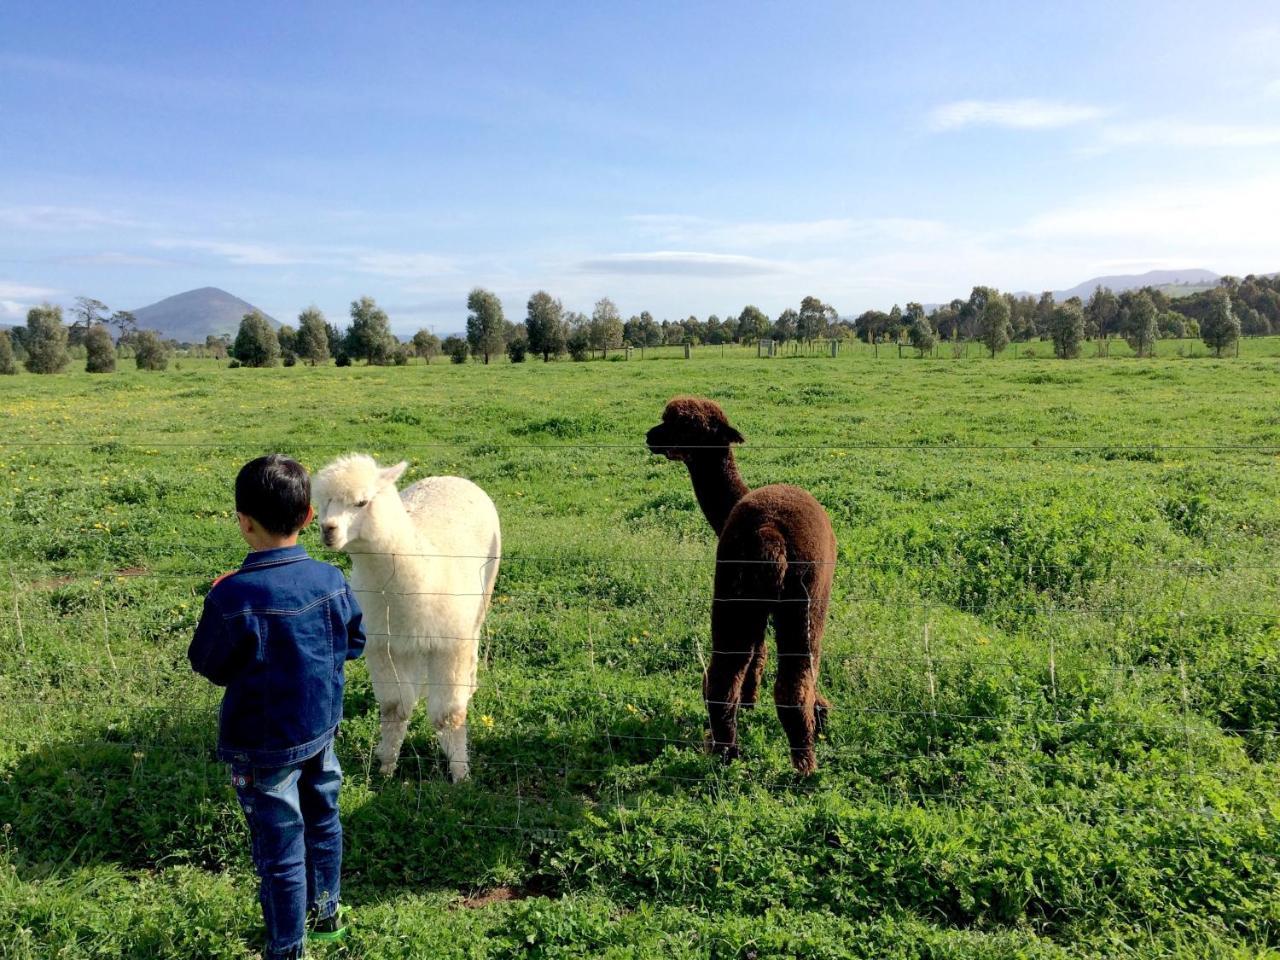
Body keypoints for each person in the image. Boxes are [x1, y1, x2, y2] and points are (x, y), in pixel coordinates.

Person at [189, 454, 366, 960]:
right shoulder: (331, 582)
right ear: (309, 516)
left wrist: (219, 593)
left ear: (244, 521)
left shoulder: (233, 596)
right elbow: (354, 642)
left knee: (280, 849)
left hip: (261, 747)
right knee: (324, 818)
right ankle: (327, 916)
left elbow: (211, 665)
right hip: (321, 728)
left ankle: (287, 948)